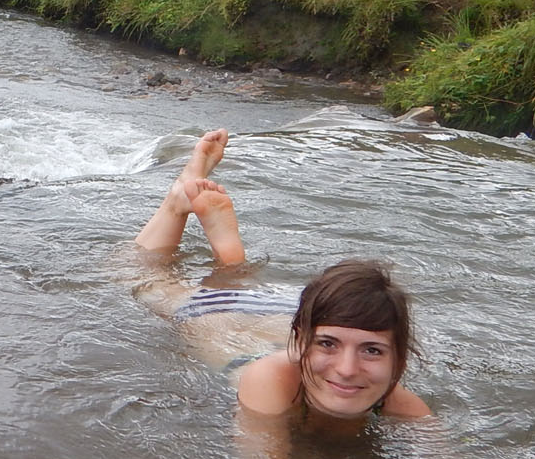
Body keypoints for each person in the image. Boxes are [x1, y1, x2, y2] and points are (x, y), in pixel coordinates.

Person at [131, 129, 431, 422]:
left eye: (372, 350)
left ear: (400, 361)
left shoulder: (398, 401)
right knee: (139, 277)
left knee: (236, 286)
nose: (348, 369)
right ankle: (176, 204)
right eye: (328, 345)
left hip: (301, 314)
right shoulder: (269, 380)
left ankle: (228, 252)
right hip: (222, 320)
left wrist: (325, 342)